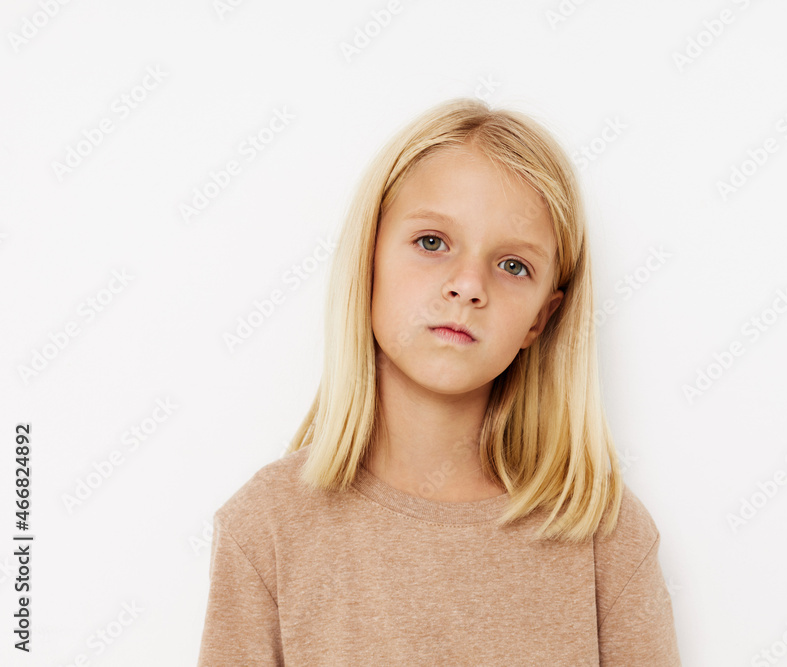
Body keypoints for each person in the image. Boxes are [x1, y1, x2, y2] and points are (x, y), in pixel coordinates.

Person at [196, 97, 682, 666]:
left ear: (541, 319)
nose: (467, 285)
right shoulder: (266, 526)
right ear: (369, 257)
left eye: (512, 265)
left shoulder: (606, 536)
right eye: (432, 243)